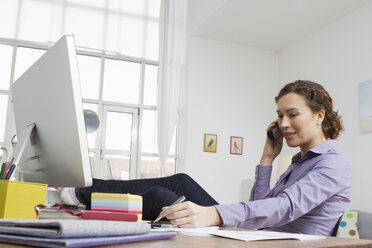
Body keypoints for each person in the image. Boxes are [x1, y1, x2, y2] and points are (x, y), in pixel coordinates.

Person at [63, 80, 351, 236]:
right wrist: (267, 158)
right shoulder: (298, 163)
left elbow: (285, 207)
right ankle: (81, 190)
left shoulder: (332, 164)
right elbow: (259, 205)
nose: (283, 124)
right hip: (256, 235)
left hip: (275, 243)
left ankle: (76, 196)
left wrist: (214, 213)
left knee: (158, 197)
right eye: (279, 116)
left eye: (292, 115)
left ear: (319, 115)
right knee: (181, 181)